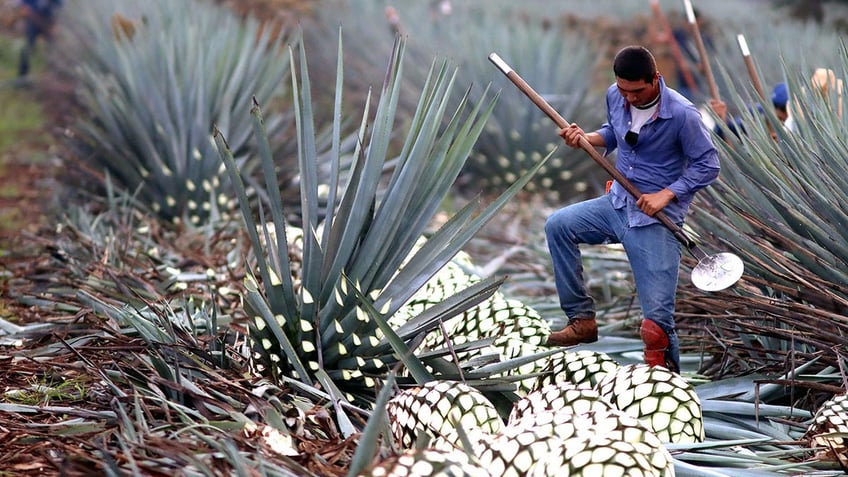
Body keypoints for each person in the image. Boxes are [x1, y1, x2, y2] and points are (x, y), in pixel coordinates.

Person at [545, 45, 720, 373]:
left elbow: (708, 164)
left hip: (655, 220)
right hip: (616, 204)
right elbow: (617, 132)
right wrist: (587, 137)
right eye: (624, 91)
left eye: (637, 91)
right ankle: (582, 320)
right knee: (558, 225)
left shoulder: (683, 114)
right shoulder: (616, 95)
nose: (630, 98)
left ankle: (668, 391)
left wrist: (667, 194)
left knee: (656, 327)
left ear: (655, 79)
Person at [16, 0, 62, 77]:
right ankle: (22, 76)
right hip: (33, 20)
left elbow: (59, 6)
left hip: (48, 23)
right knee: (28, 47)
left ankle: (52, 76)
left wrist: (55, 24)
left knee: (52, 49)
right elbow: (23, 4)